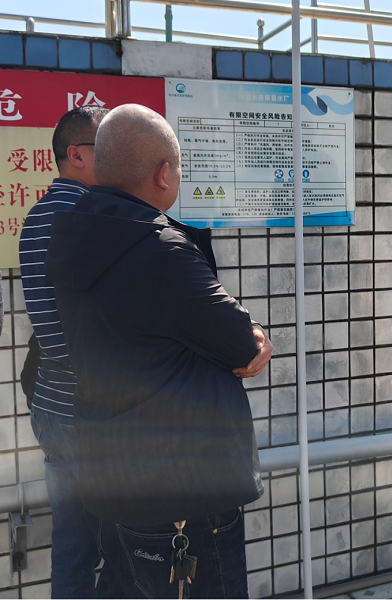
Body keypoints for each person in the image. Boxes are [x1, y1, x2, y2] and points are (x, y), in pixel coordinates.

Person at [44, 104, 271, 598]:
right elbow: (241, 343)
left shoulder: (71, 234)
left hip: (116, 481)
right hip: (185, 491)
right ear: (164, 174)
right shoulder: (160, 247)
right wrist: (254, 330)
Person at [18, 106, 108, 598]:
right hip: (92, 412)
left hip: (52, 405)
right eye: (104, 147)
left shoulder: (36, 217)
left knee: (73, 545)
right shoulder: (92, 216)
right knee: (121, 545)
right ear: (76, 154)